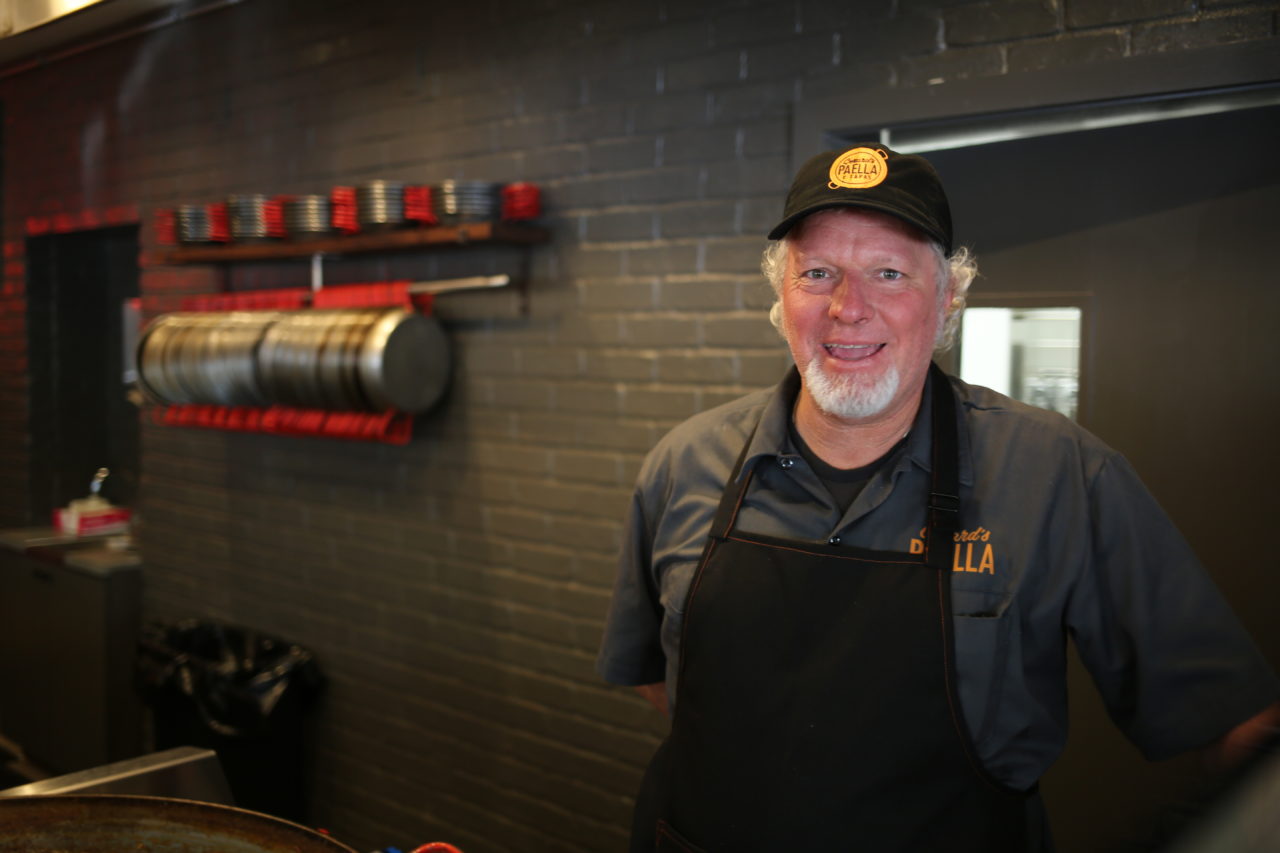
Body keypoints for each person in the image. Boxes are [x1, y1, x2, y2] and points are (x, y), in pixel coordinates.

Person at [595, 144, 1280, 852]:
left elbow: (1230, 717)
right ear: (782, 296)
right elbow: (659, 681)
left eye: (887, 273)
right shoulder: (684, 463)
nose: (847, 308)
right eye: (817, 273)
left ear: (947, 297)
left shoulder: (1058, 474)